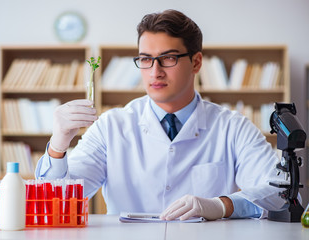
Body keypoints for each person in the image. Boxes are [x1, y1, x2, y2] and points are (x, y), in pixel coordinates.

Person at [36, 9, 285, 220]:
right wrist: (57, 147)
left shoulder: (232, 127)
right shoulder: (111, 127)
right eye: (146, 59)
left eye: (168, 58)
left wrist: (222, 205)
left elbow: (280, 191)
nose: (155, 72)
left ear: (196, 62)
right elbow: (58, 201)